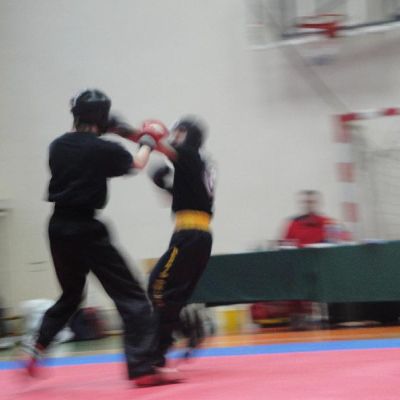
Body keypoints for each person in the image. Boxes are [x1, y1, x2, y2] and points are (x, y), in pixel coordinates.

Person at [23, 89, 178, 387]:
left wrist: (109, 130)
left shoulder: (57, 146)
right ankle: (143, 367)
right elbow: (136, 164)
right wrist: (147, 140)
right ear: (102, 118)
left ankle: (38, 344)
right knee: (131, 296)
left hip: (57, 227)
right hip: (86, 228)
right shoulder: (102, 148)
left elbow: (83, 148)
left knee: (71, 295)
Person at [147, 117, 215, 367]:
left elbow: (161, 147)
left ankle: (165, 346)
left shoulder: (188, 154)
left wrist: (136, 134)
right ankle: (188, 330)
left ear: (186, 134)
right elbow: (189, 197)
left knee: (158, 287)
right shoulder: (199, 162)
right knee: (171, 293)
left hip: (189, 235)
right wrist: (164, 186)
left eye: (177, 132)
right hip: (198, 235)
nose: (173, 136)